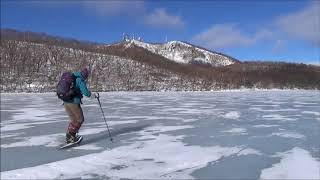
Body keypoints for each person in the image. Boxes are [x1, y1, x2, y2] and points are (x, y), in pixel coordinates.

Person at [63, 66, 98, 143]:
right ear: (85, 75)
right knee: (80, 119)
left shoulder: (72, 77)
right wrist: (94, 96)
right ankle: (71, 137)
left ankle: (70, 137)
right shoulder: (80, 80)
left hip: (65, 102)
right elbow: (86, 93)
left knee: (74, 120)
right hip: (74, 102)